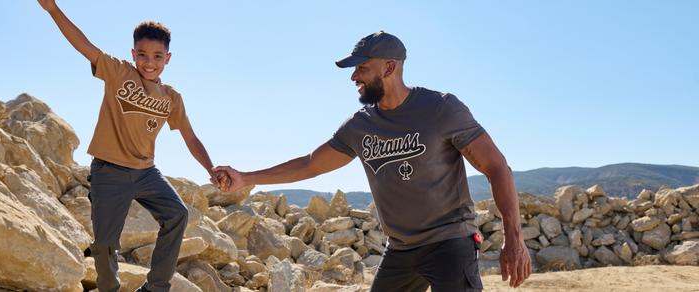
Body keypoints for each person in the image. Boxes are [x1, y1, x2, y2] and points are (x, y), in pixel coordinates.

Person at [214, 31, 531, 291]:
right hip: (400, 249)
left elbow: (496, 167)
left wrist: (514, 239)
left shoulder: (441, 109)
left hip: (449, 242)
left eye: (362, 68)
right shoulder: (359, 126)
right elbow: (309, 164)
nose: (354, 76)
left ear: (389, 68)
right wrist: (245, 177)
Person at [37, 1, 226, 291]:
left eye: (157, 56)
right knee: (105, 243)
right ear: (133, 54)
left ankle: (155, 287)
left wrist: (211, 169)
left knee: (177, 215)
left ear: (168, 58)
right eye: (142, 55)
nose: (149, 62)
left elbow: (190, 137)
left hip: (146, 173)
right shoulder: (119, 72)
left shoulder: (171, 97)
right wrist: (52, 9)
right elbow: (84, 45)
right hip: (109, 171)